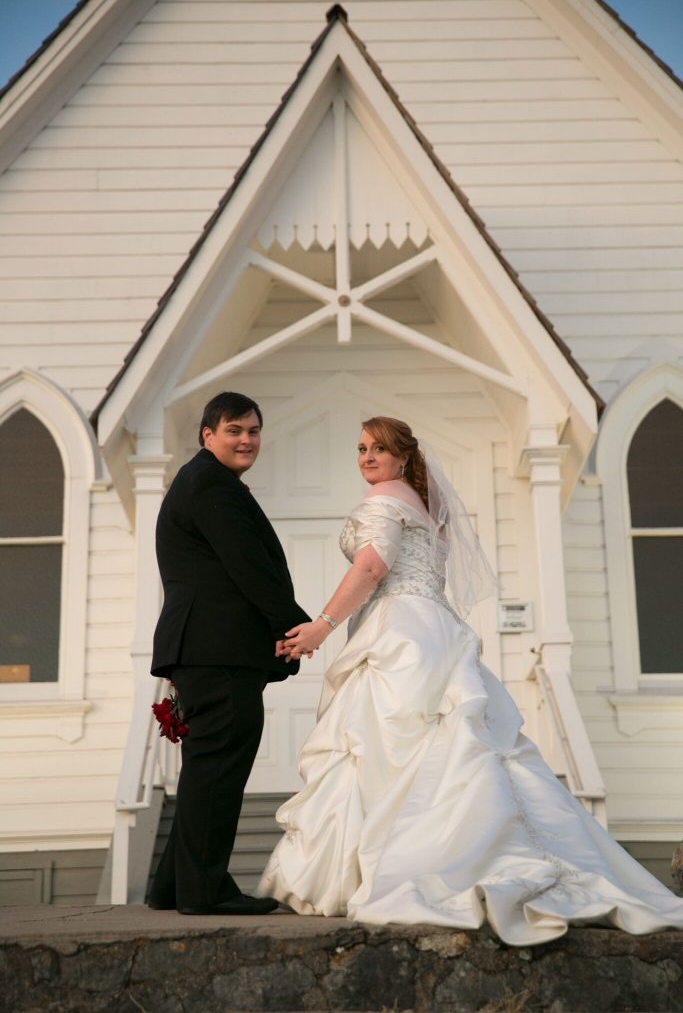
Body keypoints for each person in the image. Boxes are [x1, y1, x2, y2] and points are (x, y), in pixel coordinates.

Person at [256, 416, 683, 945]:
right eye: (361, 447)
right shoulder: (425, 508)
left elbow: (370, 568)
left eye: (379, 449)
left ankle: (415, 866)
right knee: (454, 747)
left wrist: (320, 627)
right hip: (432, 627)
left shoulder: (385, 499)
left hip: (399, 632)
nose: (367, 457)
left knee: (388, 748)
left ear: (403, 456)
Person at [147, 391, 310, 915]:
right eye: (234, 430)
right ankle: (205, 890)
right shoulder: (211, 486)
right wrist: (295, 624)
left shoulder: (205, 482)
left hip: (206, 650)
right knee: (218, 769)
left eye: (253, 431)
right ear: (207, 435)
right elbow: (248, 566)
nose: (246, 440)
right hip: (217, 652)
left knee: (206, 769)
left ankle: (174, 886)